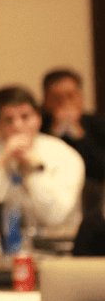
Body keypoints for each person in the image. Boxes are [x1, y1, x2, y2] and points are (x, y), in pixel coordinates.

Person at [0, 86, 84, 234]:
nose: (18, 126)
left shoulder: (64, 156)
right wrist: (0, 165)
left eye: (25, 117)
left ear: (38, 119)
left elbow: (55, 217)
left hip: (58, 244)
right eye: (8, 120)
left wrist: (34, 169)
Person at [41, 68, 105, 213]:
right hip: (52, 200)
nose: (65, 103)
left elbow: (101, 170)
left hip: (95, 202)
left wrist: (80, 136)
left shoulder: (99, 125)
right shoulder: (39, 126)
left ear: (80, 97)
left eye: (70, 96)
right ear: (46, 101)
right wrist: (55, 133)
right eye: (57, 98)